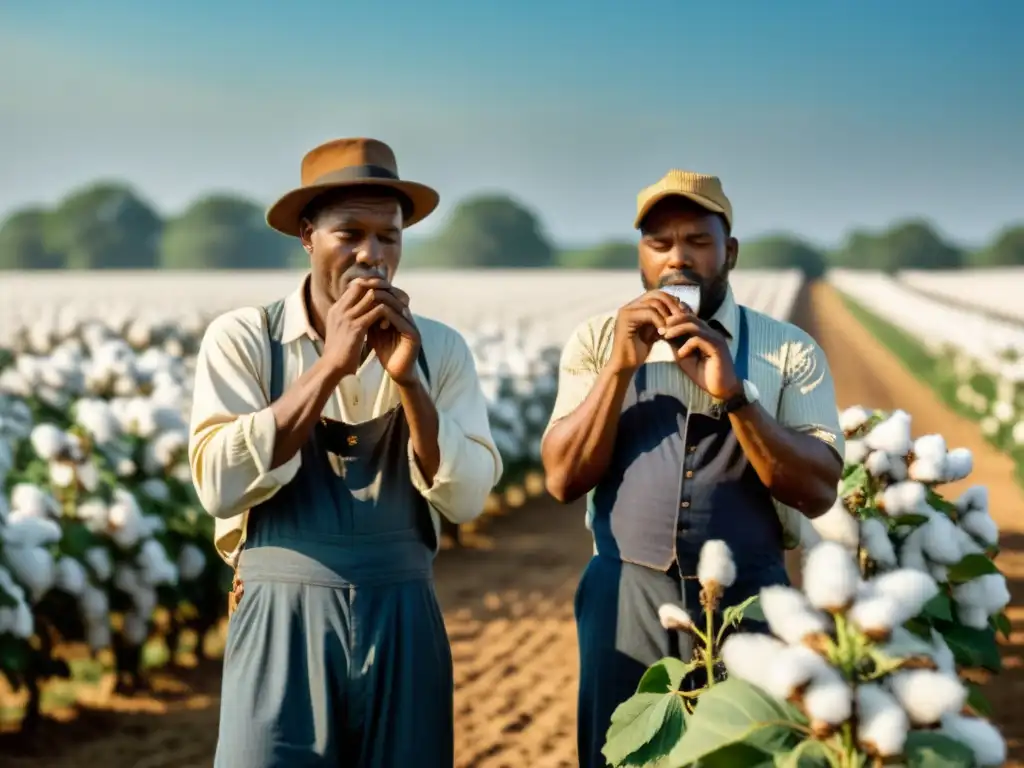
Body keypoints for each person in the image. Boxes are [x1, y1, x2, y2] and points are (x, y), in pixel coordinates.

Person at [187, 137, 503, 767]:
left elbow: (466, 500)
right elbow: (219, 485)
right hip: (280, 619)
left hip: (403, 616)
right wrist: (329, 367)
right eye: (349, 233)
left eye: (389, 236)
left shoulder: (438, 350)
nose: (372, 255)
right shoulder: (247, 340)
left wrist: (410, 383)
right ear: (307, 237)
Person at [540, 169, 845, 767]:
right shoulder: (599, 342)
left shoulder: (787, 349)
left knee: (744, 754)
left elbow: (817, 491)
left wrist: (735, 394)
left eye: (697, 242)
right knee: (622, 753)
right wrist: (620, 369)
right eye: (659, 243)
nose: (677, 259)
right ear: (642, 256)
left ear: (728, 251)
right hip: (624, 591)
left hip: (751, 597)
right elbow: (561, 479)